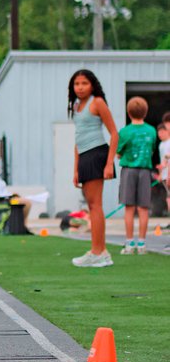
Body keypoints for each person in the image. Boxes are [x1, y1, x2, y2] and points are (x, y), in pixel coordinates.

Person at [68, 70, 118, 268]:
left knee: (96, 206)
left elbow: (114, 133)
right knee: (91, 206)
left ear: (92, 85)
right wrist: (75, 170)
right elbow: (78, 140)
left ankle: (98, 253)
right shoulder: (76, 105)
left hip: (97, 154)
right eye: (76, 84)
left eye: (84, 83)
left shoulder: (97, 102)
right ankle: (100, 251)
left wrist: (108, 163)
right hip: (84, 156)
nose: (80, 87)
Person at [116, 97, 157, 255]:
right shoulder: (152, 131)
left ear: (128, 112)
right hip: (145, 171)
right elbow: (152, 149)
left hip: (129, 170)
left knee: (129, 208)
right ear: (145, 112)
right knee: (143, 208)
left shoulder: (125, 131)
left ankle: (129, 243)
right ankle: (142, 243)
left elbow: (119, 153)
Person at [0, 155, 32, 224]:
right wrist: (11, 196)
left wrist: (11, 194)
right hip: (0, 202)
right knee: (26, 203)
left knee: (24, 201)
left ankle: (20, 225)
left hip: (2, 200)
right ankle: (21, 225)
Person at [156, 123, 170, 220]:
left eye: (162, 131)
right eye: (158, 132)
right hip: (165, 176)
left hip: (169, 175)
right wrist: (160, 174)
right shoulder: (161, 145)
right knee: (168, 198)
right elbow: (162, 162)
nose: (159, 134)